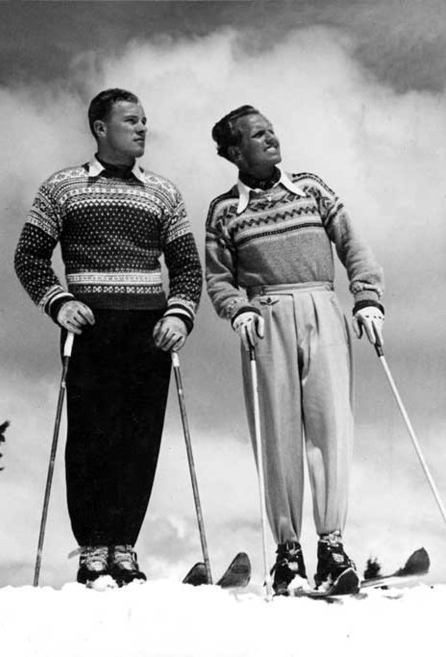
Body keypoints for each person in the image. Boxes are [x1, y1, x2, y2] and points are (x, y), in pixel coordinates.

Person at [15, 88, 202, 587]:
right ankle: (93, 549)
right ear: (100, 127)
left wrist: (180, 315)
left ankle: (125, 548)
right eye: (131, 120)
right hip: (90, 325)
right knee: (91, 437)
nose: (143, 128)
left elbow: (186, 265)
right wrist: (59, 301)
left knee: (139, 440)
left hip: (150, 327)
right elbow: (29, 256)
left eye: (144, 120)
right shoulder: (63, 187)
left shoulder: (163, 191)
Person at [205, 105, 384, 596]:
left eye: (272, 129)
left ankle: (332, 546)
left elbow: (352, 245)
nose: (271, 138)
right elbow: (217, 278)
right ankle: (288, 552)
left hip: (322, 305)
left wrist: (366, 295)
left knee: (330, 427)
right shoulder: (225, 210)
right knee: (278, 432)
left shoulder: (311, 187)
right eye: (258, 134)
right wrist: (236, 308)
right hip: (264, 318)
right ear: (235, 150)